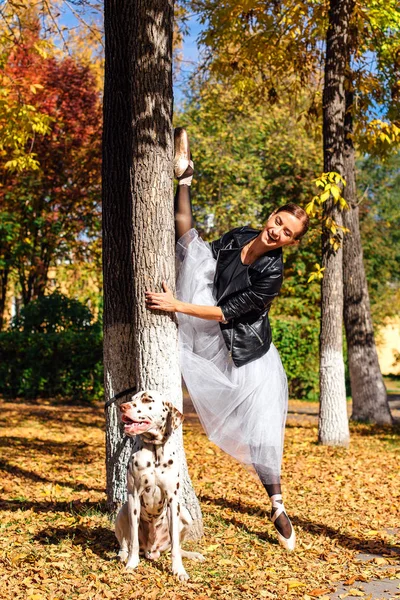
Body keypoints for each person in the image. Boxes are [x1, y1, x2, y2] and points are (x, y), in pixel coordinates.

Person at [145, 128, 310, 552]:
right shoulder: (239, 235)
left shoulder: (272, 274)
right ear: (270, 216)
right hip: (215, 334)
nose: (277, 232)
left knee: (260, 436)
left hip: (249, 356)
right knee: (189, 240)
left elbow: (226, 313)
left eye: (287, 233)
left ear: (290, 243)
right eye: (278, 221)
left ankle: (276, 503)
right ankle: (185, 177)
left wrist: (177, 305)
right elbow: (199, 253)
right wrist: (184, 289)